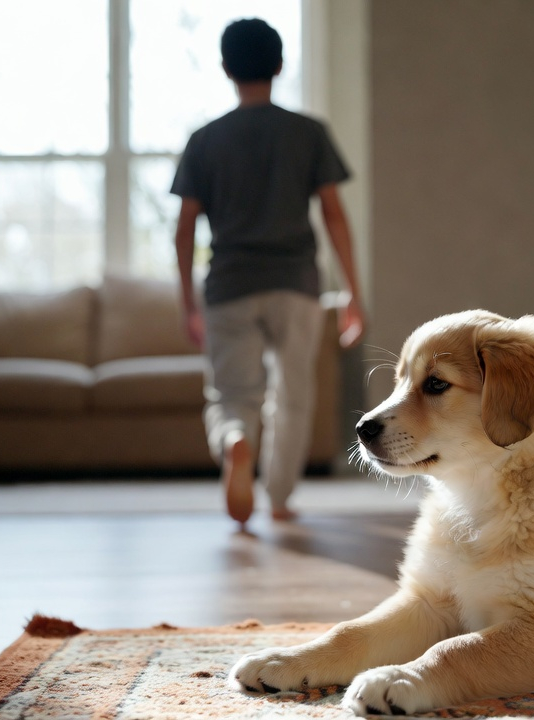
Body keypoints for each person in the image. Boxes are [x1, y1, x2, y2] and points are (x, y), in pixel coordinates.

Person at [171, 18, 364, 528]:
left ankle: (236, 440)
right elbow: (335, 216)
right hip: (296, 284)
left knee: (234, 395)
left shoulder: (205, 140)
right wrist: (352, 293)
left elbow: (184, 228)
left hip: (230, 285)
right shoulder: (308, 132)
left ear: (226, 69)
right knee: (294, 394)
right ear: (280, 66)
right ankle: (278, 497)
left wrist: (189, 305)